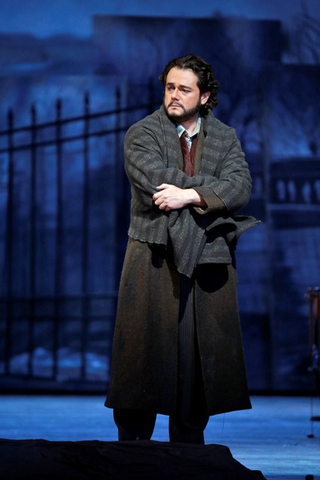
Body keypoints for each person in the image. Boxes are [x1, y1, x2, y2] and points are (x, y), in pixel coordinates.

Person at [105, 54, 259, 444]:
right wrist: (209, 195)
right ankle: (133, 450)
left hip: (207, 257)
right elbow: (154, 181)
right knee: (142, 353)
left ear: (205, 96)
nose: (173, 95)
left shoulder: (225, 137)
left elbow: (240, 186)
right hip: (153, 255)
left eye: (184, 89)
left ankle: (189, 453)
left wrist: (189, 193)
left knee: (196, 355)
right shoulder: (143, 132)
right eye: (169, 87)